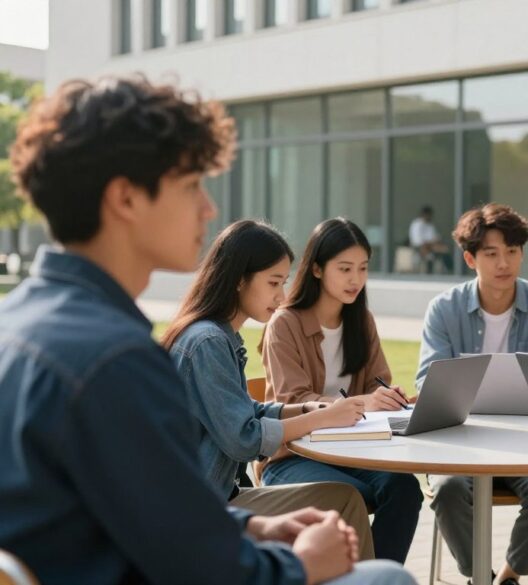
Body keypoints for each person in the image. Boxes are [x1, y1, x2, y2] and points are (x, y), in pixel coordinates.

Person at [0, 76, 414, 584]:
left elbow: (155, 514)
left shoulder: (20, 325)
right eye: (191, 185)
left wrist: (255, 525)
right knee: (388, 579)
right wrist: (300, 563)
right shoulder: (114, 360)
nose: (209, 208)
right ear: (125, 198)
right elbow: (196, 565)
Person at [161, 219, 375, 560]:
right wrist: (321, 419)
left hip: (221, 497)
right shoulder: (207, 343)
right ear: (238, 280)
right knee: (345, 500)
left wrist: (308, 410)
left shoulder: (222, 338)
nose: (282, 295)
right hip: (203, 509)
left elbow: (249, 411)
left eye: (284, 282)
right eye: (274, 282)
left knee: (346, 498)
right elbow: (243, 438)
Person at [417, 203, 528, 585]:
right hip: (461, 445)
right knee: (448, 488)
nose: (504, 263)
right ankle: (477, 576)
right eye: (491, 253)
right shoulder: (443, 310)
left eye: (512, 252)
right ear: (470, 258)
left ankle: (507, 577)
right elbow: (427, 383)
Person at [260, 217, 423, 564]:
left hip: (356, 451)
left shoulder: (361, 321)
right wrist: (362, 402)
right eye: (345, 268)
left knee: (404, 487)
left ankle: (375, 576)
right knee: (348, 495)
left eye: (363, 268)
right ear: (317, 269)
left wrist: (393, 400)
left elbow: (377, 384)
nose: (356, 279)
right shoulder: (285, 324)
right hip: (294, 457)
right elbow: (292, 402)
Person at [409, 205, 452, 273]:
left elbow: (437, 237)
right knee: (439, 250)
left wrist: (435, 242)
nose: (430, 216)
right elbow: (417, 241)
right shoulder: (416, 224)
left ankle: (450, 270)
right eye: (428, 215)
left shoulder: (430, 225)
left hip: (432, 246)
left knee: (445, 249)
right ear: (424, 214)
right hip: (420, 247)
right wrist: (431, 242)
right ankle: (431, 270)